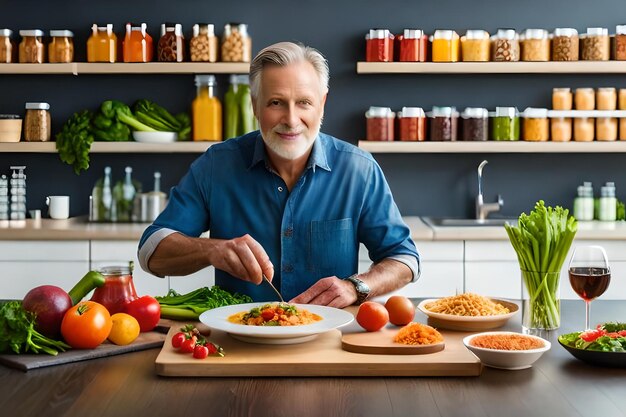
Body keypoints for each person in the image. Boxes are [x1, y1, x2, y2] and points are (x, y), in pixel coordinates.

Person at [138, 41, 419, 308]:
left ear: (322, 103)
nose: (291, 119)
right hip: (238, 344)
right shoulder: (216, 166)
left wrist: (355, 286)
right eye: (276, 103)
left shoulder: (359, 170)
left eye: (304, 103)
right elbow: (151, 250)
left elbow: (404, 259)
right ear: (255, 105)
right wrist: (212, 250)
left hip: (327, 345)